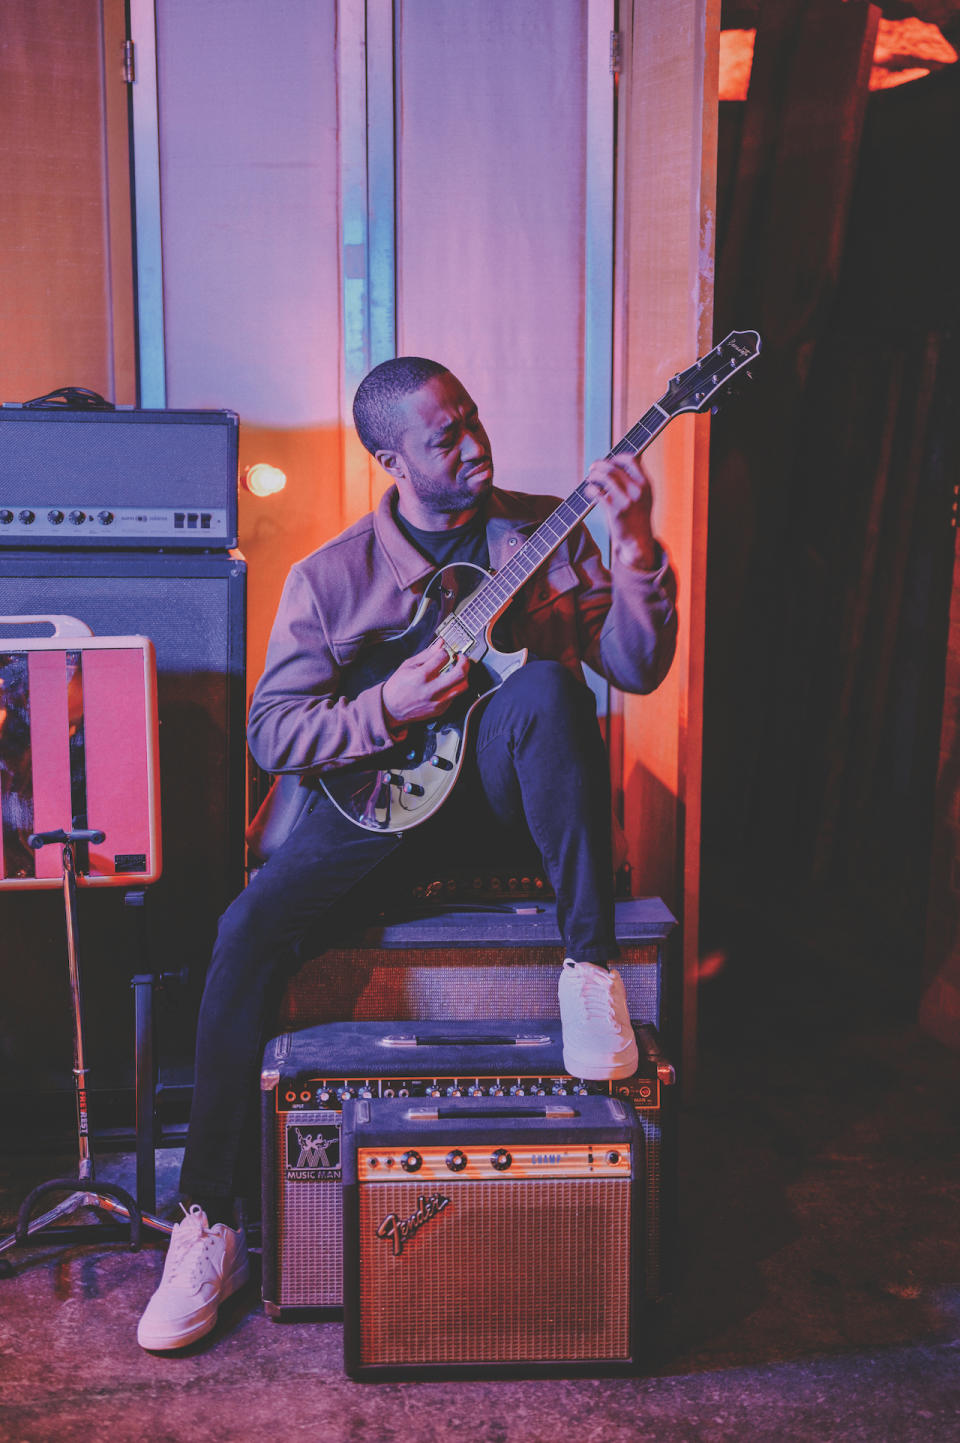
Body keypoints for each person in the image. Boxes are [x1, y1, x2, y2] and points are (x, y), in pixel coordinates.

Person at [136, 355, 677, 1351]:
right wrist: (386, 706)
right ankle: (209, 1221)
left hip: (510, 795)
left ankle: (588, 967)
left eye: (471, 418)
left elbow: (638, 667)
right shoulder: (332, 577)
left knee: (554, 695)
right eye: (443, 437)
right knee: (246, 930)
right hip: (385, 802)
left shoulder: (543, 527)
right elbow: (273, 732)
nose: (472, 445)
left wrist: (634, 536)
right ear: (390, 458)